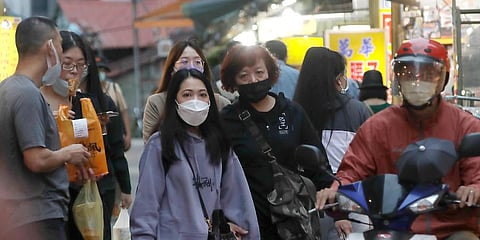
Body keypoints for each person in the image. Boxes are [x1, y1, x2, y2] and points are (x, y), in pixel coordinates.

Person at [316, 38, 480, 239]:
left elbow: (477, 171)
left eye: (428, 74)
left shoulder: (465, 125)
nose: (417, 80)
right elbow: (353, 169)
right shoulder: (378, 126)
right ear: (397, 79)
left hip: (449, 228)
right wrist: (335, 191)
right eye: (407, 73)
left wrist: (473, 189)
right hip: (390, 228)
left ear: (443, 78)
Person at [219, 44, 333, 240]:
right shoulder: (226, 120)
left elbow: (318, 163)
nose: (253, 80)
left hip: (293, 221)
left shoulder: (292, 112)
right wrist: (223, 220)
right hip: (248, 224)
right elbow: (216, 175)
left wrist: (336, 204)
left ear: (270, 73)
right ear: (233, 81)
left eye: (259, 72)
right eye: (244, 76)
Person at [130, 68, 260, 239]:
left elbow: (238, 198)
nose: (196, 101)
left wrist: (241, 229)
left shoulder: (220, 144)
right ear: (174, 100)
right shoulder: (159, 145)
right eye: (187, 95)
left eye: (202, 94)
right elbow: (146, 206)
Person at [0, 16, 90, 240]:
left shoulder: (7, 89)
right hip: (36, 216)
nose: (61, 52)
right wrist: (69, 153)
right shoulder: (28, 94)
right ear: (49, 47)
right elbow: (36, 159)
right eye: (60, 44)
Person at [54, 31, 132, 240]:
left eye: (80, 65)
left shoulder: (98, 103)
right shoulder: (44, 103)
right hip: (58, 199)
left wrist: (124, 188)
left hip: (96, 192)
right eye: (67, 64)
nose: (74, 72)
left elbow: (114, 149)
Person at [293, 47, 371, 239]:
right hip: (353, 199)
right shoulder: (357, 110)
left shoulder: (294, 112)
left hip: (308, 203)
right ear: (338, 78)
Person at [142, 39, 231, 143]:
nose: (192, 67)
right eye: (184, 62)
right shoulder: (157, 103)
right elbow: (150, 147)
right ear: (172, 69)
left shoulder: (221, 103)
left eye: (197, 62)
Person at [97, 56, 132, 151]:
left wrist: (128, 134)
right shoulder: (91, 90)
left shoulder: (114, 88)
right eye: (98, 70)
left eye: (102, 70)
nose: (100, 73)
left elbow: (124, 112)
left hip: (115, 131)